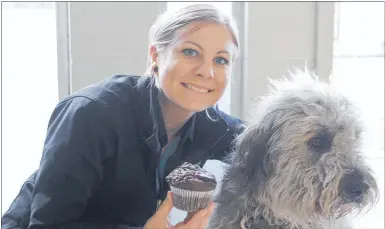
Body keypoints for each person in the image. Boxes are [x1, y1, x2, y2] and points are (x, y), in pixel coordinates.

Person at [2, 3, 244, 229]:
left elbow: (268, 141)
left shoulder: (213, 126)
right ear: (156, 56)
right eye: (190, 52)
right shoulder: (91, 114)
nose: (206, 71)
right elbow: (49, 224)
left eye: (221, 60)